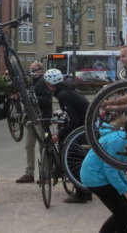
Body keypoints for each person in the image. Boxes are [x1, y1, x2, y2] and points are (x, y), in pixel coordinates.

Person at [81, 111, 127, 233]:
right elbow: (110, 169)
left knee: (126, 210)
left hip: (99, 175)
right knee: (123, 212)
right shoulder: (121, 140)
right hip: (95, 177)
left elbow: (117, 167)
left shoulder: (124, 137)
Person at [42, 69, 94, 203]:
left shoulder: (63, 95)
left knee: (70, 160)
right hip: (87, 127)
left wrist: (60, 134)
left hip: (81, 130)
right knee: (79, 160)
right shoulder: (68, 90)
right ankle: (86, 191)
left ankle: (81, 194)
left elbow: (74, 120)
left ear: (49, 84)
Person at [16, 62, 52, 184]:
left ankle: (46, 175)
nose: (31, 72)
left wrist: (32, 98)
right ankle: (29, 173)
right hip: (32, 118)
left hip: (42, 119)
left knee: (43, 146)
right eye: (30, 70)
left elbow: (46, 100)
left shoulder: (43, 82)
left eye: (34, 70)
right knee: (29, 145)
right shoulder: (32, 83)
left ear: (41, 70)